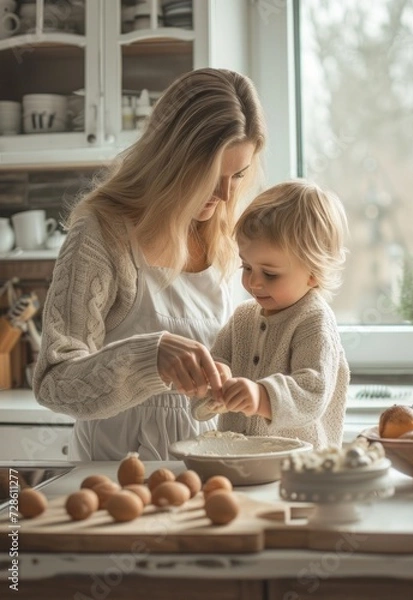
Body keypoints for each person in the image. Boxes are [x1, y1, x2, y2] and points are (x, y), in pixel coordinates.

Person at [33, 68, 267, 461]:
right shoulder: (102, 232)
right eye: (210, 175)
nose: (225, 195)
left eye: (238, 174)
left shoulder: (227, 236)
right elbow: (53, 382)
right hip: (115, 480)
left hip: (205, 472)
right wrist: (148, 358)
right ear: (171, 159)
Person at [192, 180, 350, 449]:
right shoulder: (243, 318)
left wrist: (261, 396)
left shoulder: (314, 321)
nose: (254, 283)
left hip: (298, 467)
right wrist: (214, 382)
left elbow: (313, 390)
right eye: (246, 267)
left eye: (270, 274)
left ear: (313, 275)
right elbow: (216, 362)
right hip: (237, 457)